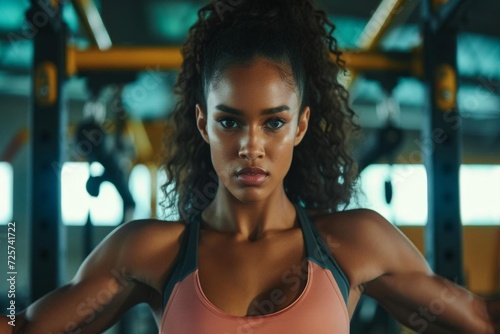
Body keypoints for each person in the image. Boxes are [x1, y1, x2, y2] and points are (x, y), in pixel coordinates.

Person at [2, 0, 498, 333]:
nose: (251, 146)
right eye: (231, 121)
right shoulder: (152, 252)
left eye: (274, 124)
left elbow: (480, 321)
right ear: (203, 123)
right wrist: (5, 254)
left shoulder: (355, 244)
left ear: (301, 126)